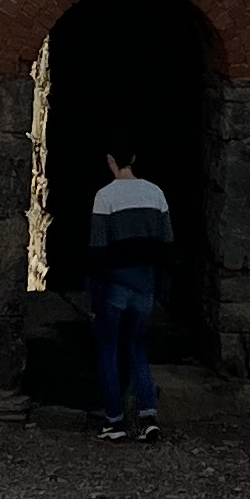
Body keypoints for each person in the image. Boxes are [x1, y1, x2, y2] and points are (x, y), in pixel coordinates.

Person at [85, 145, 172, 443]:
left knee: (108, 350)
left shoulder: (104, 197)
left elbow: (97, 249)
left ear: (110, 160)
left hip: (115, 287)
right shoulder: (156, 194)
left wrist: (94, 296)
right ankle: (148, 417)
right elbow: (166, 244)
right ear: (134, 158)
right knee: (138, 350)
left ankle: (115, 421)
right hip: (144, 285)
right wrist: (161, 287)